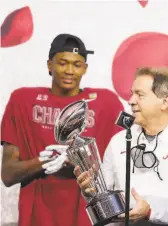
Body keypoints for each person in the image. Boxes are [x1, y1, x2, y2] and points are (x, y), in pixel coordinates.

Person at [1, 33, 124, 226]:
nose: (69, 70)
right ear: (50, 65)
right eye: (62, 63)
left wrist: (81, 161)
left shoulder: (107, 102)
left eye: (76, 64)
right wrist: (46, 161)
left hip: (88, 217)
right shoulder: (22, 100)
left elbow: (124, 163)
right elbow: (7, 175)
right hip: (37, 218)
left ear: (85, 68)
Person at [74, 67, 168, 226]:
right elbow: (106, 203)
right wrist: (91, 192)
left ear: (165, 101)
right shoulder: (118, 141)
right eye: (132, 93)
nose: (131, 100)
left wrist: (150, 211)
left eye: (140, 95)